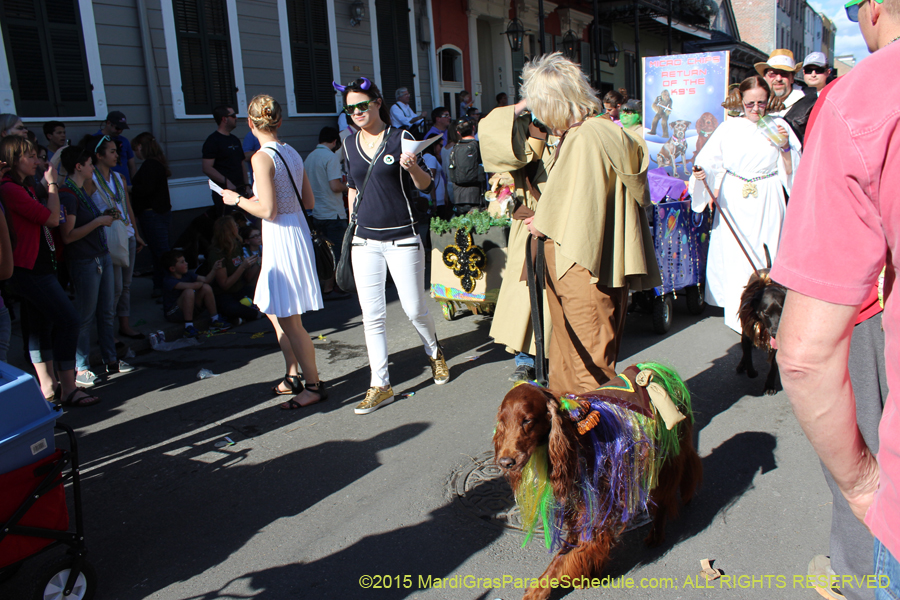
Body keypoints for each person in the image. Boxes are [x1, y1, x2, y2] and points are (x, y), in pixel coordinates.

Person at [772, 0, 900, 596]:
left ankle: (855, 566)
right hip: (841, 255)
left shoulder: (860, 100)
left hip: (850, 279)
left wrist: (864, 488)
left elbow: (803, 356)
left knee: (862, 446)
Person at [523, 52, 660, 394]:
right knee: (573, 354)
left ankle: (595, 441)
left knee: (585, 365)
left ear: (553, 102)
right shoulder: (603, 131)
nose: (537, 115)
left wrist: (541, 221)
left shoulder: (585, 137)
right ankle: (571, 436)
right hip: (594, 262)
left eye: (539, 105)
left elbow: (574, 209)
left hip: (580, 263)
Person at [337, 77, 449, 415]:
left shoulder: (402, 138)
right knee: (372, 316)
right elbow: (353, 187)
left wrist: (413, 168)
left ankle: (434, 351)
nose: (357, 112)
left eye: (362, 105)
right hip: (364, 240)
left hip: (403, 237)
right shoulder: (346, 143)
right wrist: (351, 223)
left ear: (377, 102)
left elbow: (428, 185)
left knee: (414, 308)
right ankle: (380, 384)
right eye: (350, 108)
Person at [221, 94, 326, 409]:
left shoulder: (260, 157)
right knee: (277, 311)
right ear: (279, 121)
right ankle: (293, 375)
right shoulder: (291, 151)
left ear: (251, 124)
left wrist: (236, 200)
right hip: (296, 230)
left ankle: (313, 385)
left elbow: (266, 209)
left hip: (281, 236)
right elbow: (309, 202)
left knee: (289, 319)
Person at [689, 76, 800, 334]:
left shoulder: (778, 125)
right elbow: (708, 160)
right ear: (742, 101)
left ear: (768, 100)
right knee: (735, 254)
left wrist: (784, 148)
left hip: (768, 196)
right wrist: (701, 174)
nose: (756, 109)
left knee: (767, 251)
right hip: (735, 197)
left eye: (761, 103)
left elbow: (795, 166)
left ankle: (772, 309)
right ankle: (741, 312)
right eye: (750, 103)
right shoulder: (729, 128)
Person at [0, 136, 98, 406]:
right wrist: (54, 183)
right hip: (29, 269)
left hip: (40, 264)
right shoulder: (10, 189)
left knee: (40, 325)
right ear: (13, 159)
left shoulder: (25, 186)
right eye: (30, 157)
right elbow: (52, 218)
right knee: (68, 320)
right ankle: (67, 387)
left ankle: (48, 386)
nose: (37, 161)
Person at [481, 97, 556, 382]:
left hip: (563, 226)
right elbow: (491, 130)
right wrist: (526, 104)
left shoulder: (574, 131)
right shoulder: (524, 128)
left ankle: (555, 357)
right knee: (524, 296)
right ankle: (524, 359)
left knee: (557, 297)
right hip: (527, 225)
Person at [58, 146, 132, 385]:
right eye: (89, 164)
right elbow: (68, 235)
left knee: (106, 311)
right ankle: (81, 367)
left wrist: (103, 217)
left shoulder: (82, 191)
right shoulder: (68, 194)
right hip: (85, 260)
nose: (92, 168)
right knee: (85, 315)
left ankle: (111, 359)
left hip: (101, 255)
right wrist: (100, 220)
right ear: (78, 167)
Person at [86, 134, 146, 348]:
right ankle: (107, 332)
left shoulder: (119, 177)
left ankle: (125, 325)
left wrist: (136, 233)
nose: (116, 155)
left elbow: (127, 206)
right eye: (111, 151)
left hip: (126, 234)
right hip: (107, 238)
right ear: (99, 155)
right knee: (114, 287)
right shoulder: (90, 179)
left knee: (126, 285)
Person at [306, 126, 348, 296]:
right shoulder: (330, 158)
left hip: (316, 212)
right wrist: (349, 187)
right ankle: (333, 287)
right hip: (333, 212)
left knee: (322, 252)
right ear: (335, 141)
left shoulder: (309, 158)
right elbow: (335, 185)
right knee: (336, 253)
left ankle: (324, 286)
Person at [130, 132, 172, 299]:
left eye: (135, 149)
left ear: (141, 147)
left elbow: (146, 190)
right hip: (161, 213)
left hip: (153, 214)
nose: (135, 153)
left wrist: (130, 189)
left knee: (161, 253)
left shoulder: (149, 165)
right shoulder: (158, 163)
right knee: (159, 252)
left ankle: (168, 288)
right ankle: (159, 286)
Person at [161, 250, 229, 337]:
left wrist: (214, 269)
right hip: (174, 314)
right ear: (172, 269)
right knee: (188, 291)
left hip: (190, 309)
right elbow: (193, 285)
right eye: (182, 262)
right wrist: (200, 284)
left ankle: (215, 320)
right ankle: (188, 327)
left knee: (206, 287)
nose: (186, 263)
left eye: (185, 260)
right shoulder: (169, 281)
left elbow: (206, 280)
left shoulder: (187, 274)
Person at [207, 216, 262, 322]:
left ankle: (243, 317)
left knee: (262, 294)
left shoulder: (236, 246)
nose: (237, 227)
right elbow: (224, 285)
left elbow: (247, 277)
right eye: (234, 226)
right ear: (228, 230)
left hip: (241, 289)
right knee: (232, 308)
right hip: (225, 294)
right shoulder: (217, 253)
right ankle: (253, 314)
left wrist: (256, 263)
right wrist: (242, 267)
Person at [202, 105, 247, 217]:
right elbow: (207, 168)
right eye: (233, 116)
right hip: (225, 194)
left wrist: (247, 185)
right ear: (224, 119)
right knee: (228, 225)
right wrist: (227, 182)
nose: (236, 118)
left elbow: (241, 163)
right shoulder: (213, 141)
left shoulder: (234, 139)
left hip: (241, 190)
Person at [784, 51, 833, 144]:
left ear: (828, 72)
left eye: (819, 70)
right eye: (808, 70)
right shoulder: (794, 95)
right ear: (803, 72)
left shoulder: (833, 96)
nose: (813, 74)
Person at [448, 118, 484, 212]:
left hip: (458, 196)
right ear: (473, 128)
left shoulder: (454, 148)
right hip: (476, 194)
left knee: (461, 225)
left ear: (458, 133)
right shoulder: (478, 146)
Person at [754, 49, 805, 116]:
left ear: (792, 78)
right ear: (765, 77)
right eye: (772, 74)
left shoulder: (806, 102)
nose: (778, 79)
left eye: (784, 74)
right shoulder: (754, 101)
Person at [95, 111, 136, 185]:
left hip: (125, 186)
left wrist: (134, 184)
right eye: (117, 128)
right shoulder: (95, 140)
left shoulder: (124, 141)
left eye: (122, 128)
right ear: (108, 123)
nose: (120, 131)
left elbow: (132, 165)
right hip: (104, 186)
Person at [419, 137, 451, 220]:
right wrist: (434, 201)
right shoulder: (431, 158)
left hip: (435, 198)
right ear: (434, 145)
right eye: (440, 145)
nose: (441, 148)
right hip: (436, 199)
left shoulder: (425, 157)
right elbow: (430, 180)